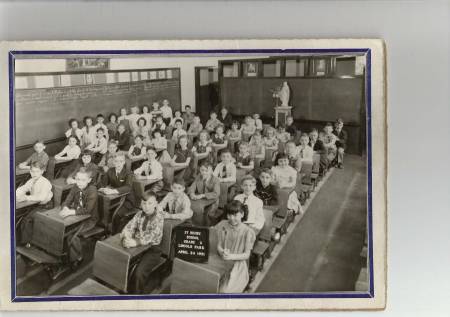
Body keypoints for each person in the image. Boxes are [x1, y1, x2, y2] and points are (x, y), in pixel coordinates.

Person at [120, 191, 164, 294]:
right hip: (138, 248)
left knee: (139, 273)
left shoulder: (159, 217)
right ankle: (123, 287)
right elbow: (129, 226)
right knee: (121, 261)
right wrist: (126, 237)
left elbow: (152, 236)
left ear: (156, 204)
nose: (146, 207)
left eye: (150, 203)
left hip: (153, 250)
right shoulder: (139, 214)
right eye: (144, 203)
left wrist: (136, 242)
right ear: (140, 204)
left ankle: (136, 295)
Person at [215, 200, 256, 293]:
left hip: (237, 264)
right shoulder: (222, 224)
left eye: (235, 215)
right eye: (229, 215)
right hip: (220, 259)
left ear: (242, 214)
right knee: (208, 282)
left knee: (224, 291)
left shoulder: (248, 232)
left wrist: (231, 256)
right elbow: (218, 245)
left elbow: (246, 255)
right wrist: (222, 251)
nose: (231, 218)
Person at [59, 168, 98, 262]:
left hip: (89, 219)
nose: (79, 182)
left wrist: (70, 212)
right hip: (77, 217)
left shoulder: (92, 190)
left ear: (89, 180)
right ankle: (62, 253)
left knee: (71, 234)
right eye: (78, 179)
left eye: (83, 180)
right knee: (60, 228)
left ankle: (77, 258)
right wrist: (65, 208)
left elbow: (88, 210)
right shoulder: (75, 187)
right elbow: (67, 200)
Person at [17, 162, 53, 245]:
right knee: (21, 216)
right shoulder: (31, 180)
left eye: (37, 171)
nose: (34, 174)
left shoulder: (45, 182)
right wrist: (15, 195)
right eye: (32, 171)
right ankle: (23, 239)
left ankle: (26, 243)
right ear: (30, 172)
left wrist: (26, 197)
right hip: (35, 205)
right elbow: (22, 189)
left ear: (42, 171)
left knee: (27, 219)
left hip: (46, 206)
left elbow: (41, 197)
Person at [99, 153, 137, 233]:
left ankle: (114, 233)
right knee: (101, 209)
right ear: (114, 162)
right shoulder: (110, 170)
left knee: (116, 214)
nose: (118, 163)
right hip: (115, 198)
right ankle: (104, 230)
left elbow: (128, 187)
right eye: (116, 161)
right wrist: (103, 188)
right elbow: (103, 183)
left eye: (121, 161)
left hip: (127, 200)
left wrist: (112, 191)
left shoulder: (128, 173)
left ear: (124, 162)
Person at [188, 161, 221, 226]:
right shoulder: (199, 176)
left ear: (211, 171)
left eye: (207, 170)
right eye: (202, 170)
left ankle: (199, 225)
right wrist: (192, 193)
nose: (204, 172)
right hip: (199, 198)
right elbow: (193, 186)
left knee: (199, 208)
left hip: (211, 199)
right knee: (190, 203)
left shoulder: (215, 180)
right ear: (200, 170)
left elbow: (216, 194)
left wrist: (203, 195)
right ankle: (192, 223)